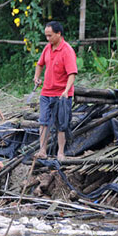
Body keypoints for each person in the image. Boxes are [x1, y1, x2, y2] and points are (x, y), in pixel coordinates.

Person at [33, 21, 77, 162]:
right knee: (44, 122)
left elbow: (72, 74)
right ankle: (42, 150)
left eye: (50, 35)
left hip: (61, 94)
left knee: (61, 124)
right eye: (46, 36)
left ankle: (61, 153)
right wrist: (36, 77)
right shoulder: (47, 48)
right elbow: (40, 64)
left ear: (58, 34)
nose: (48, 39)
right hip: (46, 92)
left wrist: (66, 90)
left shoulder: (67, 50)